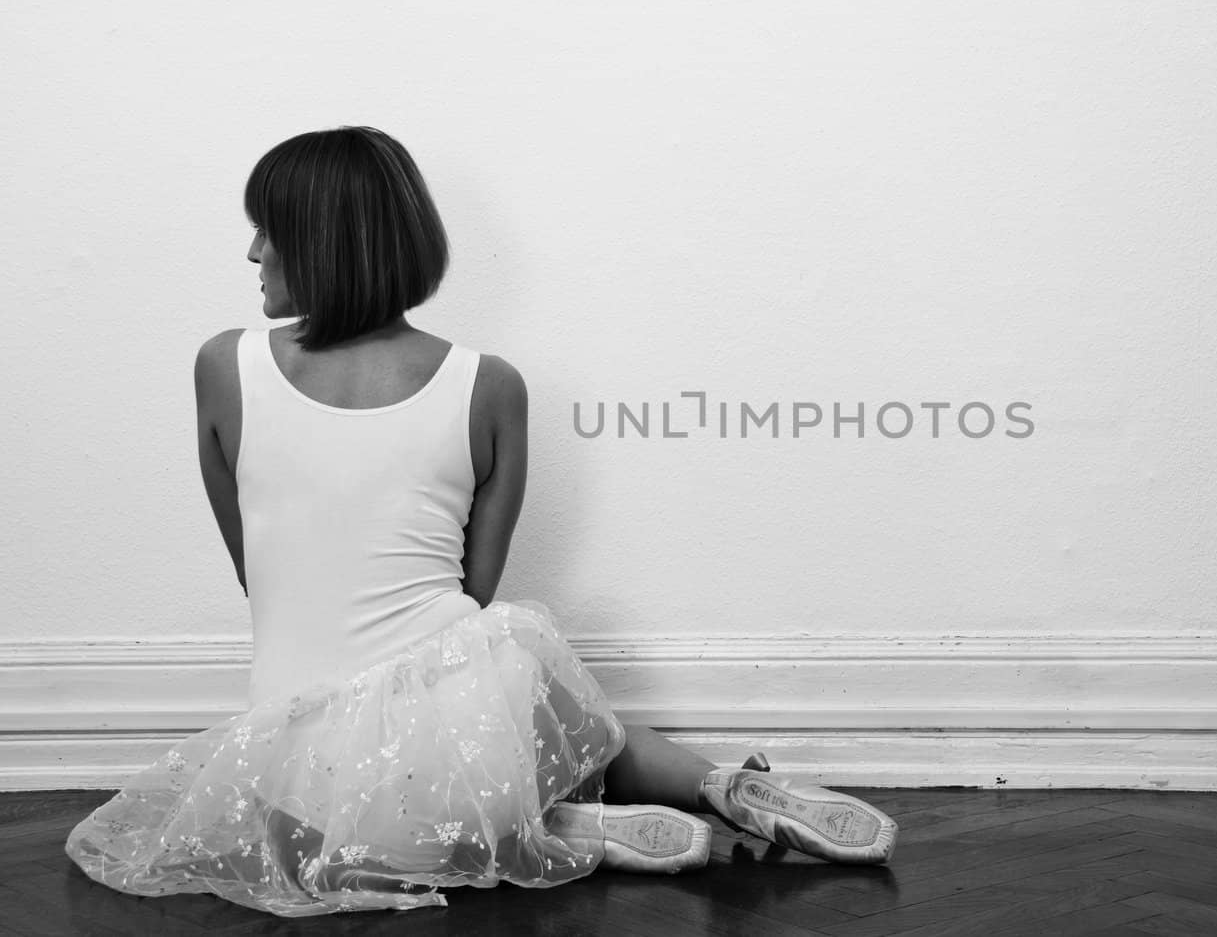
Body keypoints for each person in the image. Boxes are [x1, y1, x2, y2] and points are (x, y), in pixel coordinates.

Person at [63, 126, 898, 917]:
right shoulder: (489, 384)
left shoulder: (224, 366)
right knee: (576, 719)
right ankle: (717, 784)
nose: (252, 251)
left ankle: (553, 835)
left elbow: (259, 573)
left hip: (307, 780)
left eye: (266, 229)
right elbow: (476, 589)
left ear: (319, 239)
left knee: (308, 838)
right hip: (480, 728)